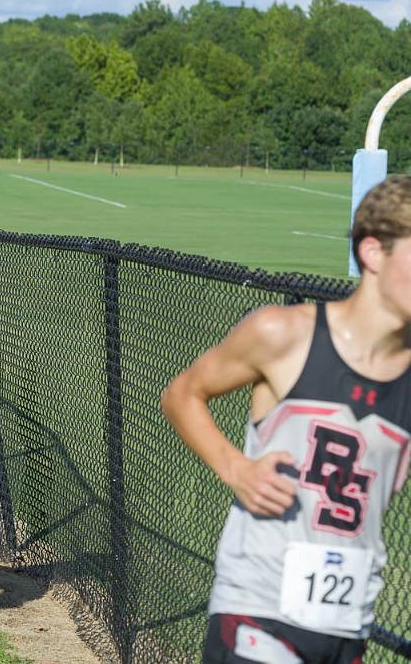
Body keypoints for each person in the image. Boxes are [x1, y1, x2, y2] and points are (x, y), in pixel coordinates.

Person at [161, 174, 411, 663]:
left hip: (348, 620)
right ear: (374, 253)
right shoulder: (284, 333)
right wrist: (237, 469)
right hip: (259, 605)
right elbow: (182, 394)